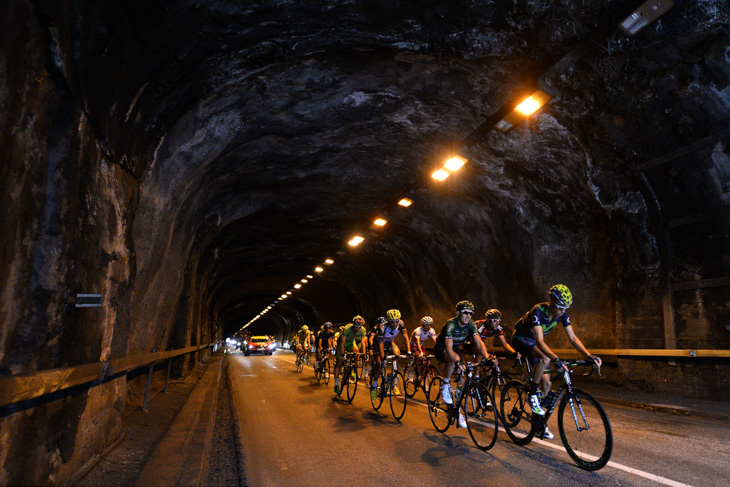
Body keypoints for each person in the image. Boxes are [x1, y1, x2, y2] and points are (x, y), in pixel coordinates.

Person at [511, 284, 602, 440]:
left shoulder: (562, 314)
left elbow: (573, 338)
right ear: (551, 302)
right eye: (560, 307)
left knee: (546, 384)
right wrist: (555, 358)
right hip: (521, 339)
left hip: (534, 345)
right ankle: (532, 393)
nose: (563, 311)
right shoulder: (538, 310)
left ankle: (538, 422)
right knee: (546, 357)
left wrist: (589, 355)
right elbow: (539, 341)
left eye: (566, 308)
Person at [434, 300, 489, 428]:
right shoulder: (451, 324)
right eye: (465, 313)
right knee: (455, 361)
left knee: (462, 380)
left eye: (471, 313)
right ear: (458, 313)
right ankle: (445, 386)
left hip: (456, 348)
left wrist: (487, 358)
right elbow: (448, 347)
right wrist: (457, 361)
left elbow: (479, 343)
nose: (468, 316)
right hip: (442, 348)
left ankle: (457, 411)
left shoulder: (471, 325)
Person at [369, 309, 411, 399]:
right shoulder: (382, 328)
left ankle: (394, 381)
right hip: (379, 343)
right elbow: (380, 345)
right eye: (392, 322)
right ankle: (374, 385)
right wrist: (383, 358)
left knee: (397, 354)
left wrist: (409, 350)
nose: (394, 324)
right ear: (388, 321)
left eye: (396, 321)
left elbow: (406, 337)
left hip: (389, 342)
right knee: (380, 364)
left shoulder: (401, 324)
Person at [333, 316, 368, 395]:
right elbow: (342, 344)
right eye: (356, 327)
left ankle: (353, 369)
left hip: (351, 343)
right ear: (353, 325)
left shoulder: (363, 330)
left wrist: (364, 354)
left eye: (359, 327)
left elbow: (363, 343)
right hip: (343, 343)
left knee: (356, 352)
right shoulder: (347, 328)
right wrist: (342, 355)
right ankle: (336, 384)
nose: (358, 329)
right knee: (339, 363)